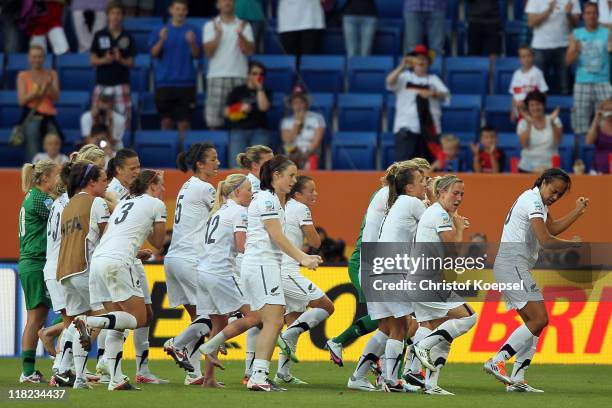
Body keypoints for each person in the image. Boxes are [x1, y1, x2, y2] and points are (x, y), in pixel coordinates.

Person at [198, 156, 322, 391]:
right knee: (274, 320)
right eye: (291, 175)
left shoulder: (271, 199)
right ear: (276, 176)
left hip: (261, 266)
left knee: (257, 318)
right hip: (262, 266)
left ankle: (215, 344)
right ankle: (258, 376)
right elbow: (276, 235)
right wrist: (302, 257)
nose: (294, 181)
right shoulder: (267, 200)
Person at [484, 168, 587, 392]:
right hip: (513, 265)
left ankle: (517, 379)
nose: (555, 196)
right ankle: (498, 359)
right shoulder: (532, 200)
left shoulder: (537, 201)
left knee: (534, 325)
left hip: (512, 266)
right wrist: (572, 243)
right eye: (553, 190)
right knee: (540, 319)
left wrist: (577, 211)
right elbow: (546, 240)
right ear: (544, 182)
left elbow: (551, 227)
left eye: (559, 194)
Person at [326, 159, 431, 374]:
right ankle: (390, 373)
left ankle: (368, 373)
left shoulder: (393, 196)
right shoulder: (393, 197)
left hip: (378, 261)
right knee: (397, 322)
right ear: (407, 181)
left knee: (387, 323)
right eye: (424, 179)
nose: (427, 184)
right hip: (370, 260)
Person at [84, 170, 167, 391]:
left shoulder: (124, 203)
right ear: (152, 184)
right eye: (161, 185)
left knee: (117, 324)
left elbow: (117, 233)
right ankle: (90, 322)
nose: (163, 190)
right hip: (118, 263)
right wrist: (152, 222)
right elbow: (158, 242)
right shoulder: (156, 204)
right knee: (138, 318)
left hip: (99, 261)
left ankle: (116, 378)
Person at [103, 149, 166, 385]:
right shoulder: (114, 191)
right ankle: (104, 362)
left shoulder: (128, 197)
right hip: (119, 259)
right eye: (132, 167)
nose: (136, 170)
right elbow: (158, 242)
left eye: (138, 166)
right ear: (118, 170)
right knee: (130, 316)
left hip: (124, 256)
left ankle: (140, 369)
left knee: (145, 314)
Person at [410, 175, 477, 396]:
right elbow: (453, 251)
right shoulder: (439, 214)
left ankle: (426, 381)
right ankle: (423, 347)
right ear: (441, 193)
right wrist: (459, 228)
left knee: (437, 328)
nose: (459, 198)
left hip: (420, 279)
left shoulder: (438, 213)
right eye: (455, 193)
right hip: (426, 280)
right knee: (468, 317)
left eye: (462, 194)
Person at [163, 143, 219, 385]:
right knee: (211, 316)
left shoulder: (187, 186)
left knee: (198, 319)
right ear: (200, 164)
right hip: (190, 259)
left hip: (174, 258)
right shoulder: (206, 188)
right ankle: (176, 344)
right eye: (213, 159)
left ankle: (193, 374)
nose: (218, 162)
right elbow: (223, 214)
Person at [368, 164, 426, 393]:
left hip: (381, 268)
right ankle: (395, 378)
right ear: (410, 187)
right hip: (392, 269)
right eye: (422, 181)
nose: (426, 184)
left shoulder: (398, 203)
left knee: (396, 326)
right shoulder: (413, 203)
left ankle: (388, 378)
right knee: (405, 324)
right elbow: (435, 228)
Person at [275, 176, 334, 385]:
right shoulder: (301, 208)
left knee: (295, 317)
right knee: (326, 306)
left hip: (277, 268)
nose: (315, 194)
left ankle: (283, 372)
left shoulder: (284, 206)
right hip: (288, 271)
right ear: (298, 194)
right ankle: (283, 337)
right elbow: (316, 242)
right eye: (311, 190)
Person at [57, 162, 110, 390]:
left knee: (75, 323)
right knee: (107, 315)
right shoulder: (96, 203)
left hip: (65, 272)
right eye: (104, 179)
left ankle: (64, 370)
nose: (107, 183)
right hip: (84, 268)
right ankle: (78, 369)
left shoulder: (68, 205)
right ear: (92, 182)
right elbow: (110, 240)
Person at [196, 173, 253, 387]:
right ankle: (211, 347)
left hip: (203, 272)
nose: (252, 193)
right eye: (248, 189)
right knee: (255, 316)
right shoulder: (239, 212)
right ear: (237, 191)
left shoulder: (219, 211)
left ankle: (209, 379)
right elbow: (241, 247)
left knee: (218, 325)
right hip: (221, 272)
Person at [18, 159, 61, 383]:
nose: (59, 180)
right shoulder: (39, 199)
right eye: (57, 175)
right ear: (45, 178)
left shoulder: (33, 196)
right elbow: (61, 218)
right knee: (36, 318)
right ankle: (27, 372)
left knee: (39, 316)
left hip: (33, 262)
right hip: (36, 261)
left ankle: (30, 370)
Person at [386, 45, 449, 162]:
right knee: (405, 167)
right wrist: (402, 66)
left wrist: (432, 93)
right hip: (407, 127)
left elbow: (446, 95)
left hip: (429, 130)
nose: (420, 62)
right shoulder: (404, 77)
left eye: (424, 59)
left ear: (428, 63)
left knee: (427, 167)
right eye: (417, 59)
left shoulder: (434, 79)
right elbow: (390, 82)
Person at [149, 0, 200, 135]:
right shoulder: (159, 30)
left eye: (183, 9)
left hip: (186, 83)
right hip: (164, 83)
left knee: (184, 123)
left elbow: (197, 55)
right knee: (166, 122)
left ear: (187, 11)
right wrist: (161, 40)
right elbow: (153, 54)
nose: (180, 12)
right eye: (177, 9)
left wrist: (192, 42)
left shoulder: (193, 30)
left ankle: (184, 155)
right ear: (171, 10)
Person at [203, 0, 255, 130]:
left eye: (230, 0)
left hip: (240, 76)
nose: (227, 2)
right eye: (223, 0)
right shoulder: (210, 25)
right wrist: (218, 35)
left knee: (239, 120)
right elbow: (208, 53)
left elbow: (250, 51)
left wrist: (240, 34)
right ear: (217, 4)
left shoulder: (244, 25)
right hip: (216, 77)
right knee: (214, 123)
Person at [567, 2, 612, 137]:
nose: (591, 16)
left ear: (598, 15)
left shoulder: (607, 33)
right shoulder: (576, 34)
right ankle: (580, 154)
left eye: (594, 13)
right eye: (588, 13)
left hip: (603, 81)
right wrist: (575, 51)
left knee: (608, 120)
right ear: (583, 16)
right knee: (579, 124)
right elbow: (568, 62)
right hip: (582, 82)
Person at [90, 1, 136, 131]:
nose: (115, 16)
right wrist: (105, 59)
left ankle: (122, 150)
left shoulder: (128, 36)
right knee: (98, 120)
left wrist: (120, 59)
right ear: (108, 15)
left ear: (122, 16)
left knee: (123, 121)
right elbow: (93, 60)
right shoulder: (100, 35)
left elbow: (132, 63)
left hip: (121, 84)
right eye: (112, 13)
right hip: (103, 83)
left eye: (118, 13)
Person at [17, 44, 62, 162]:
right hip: (32, 116)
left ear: (44, 58)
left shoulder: (52, 74)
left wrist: (49, 85)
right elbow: (22, 101)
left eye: (39, 56)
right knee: (32, 140)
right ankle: (32, 174)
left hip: (48, 116)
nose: (37, 59)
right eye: (34, 56)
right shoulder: (23, 76)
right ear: (29, 58)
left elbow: (56, 97)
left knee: (55, 140)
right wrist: (35, 92)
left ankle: (55, 174)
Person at [526, 0, 581, 95]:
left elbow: (576, 24)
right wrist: (548, 11)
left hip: (563, 46)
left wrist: (568, 14)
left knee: (565, 87)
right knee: (540, 89)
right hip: (540, 47)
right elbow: (531, 22)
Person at [225, 61, 272, 166]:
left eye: (261, 74)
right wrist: (239, 108)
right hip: (239, 130)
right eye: (255, 73)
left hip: (259, 130)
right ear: (248, 75)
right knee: (237, 165)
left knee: (261, 166)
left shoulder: (265, 91)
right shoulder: (237, 91)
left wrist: (260, 88)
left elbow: (263, 107)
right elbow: (227, 112)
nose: (258, 76)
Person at [516, 90, 562, 173]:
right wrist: (529, 123)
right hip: (527, 168)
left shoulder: (555, 120)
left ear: (543, 105)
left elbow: (557, 142)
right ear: (528, 107)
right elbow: (524, 145)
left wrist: (552, 123)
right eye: (532, 105)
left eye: (538, 104)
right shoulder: (523, 123)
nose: (535, 108)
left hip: (550, 169)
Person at [280, 87, 326, 170]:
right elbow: (287, 141)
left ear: (306, 103)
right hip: (291, 153)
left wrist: (305, 154)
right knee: (286, 165)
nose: (298, 105)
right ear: (291, 105)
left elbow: (317, 142)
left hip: (310, 152)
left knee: (309, 164)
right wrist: (297, 122)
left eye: (301, 102)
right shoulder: (286, 121)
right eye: (295, 103)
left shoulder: (317, 118)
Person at [509, 46, 548, 122]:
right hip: (519, 111)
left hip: (532, 111)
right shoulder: (516, 74)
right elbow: (514, 94)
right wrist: (513, 110)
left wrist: (540, 108)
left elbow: (543, 92)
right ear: (520, 59)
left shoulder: (537, 73)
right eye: (523, 57)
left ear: (533, 57)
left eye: (528, 56)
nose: (526, 59)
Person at [585, 98, 612, 173]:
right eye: (607, 110)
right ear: (602, 111)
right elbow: (588, 141)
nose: (609, 112)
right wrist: (596, 120)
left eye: (611, 109)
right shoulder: (598, 126)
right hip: (598, 169)